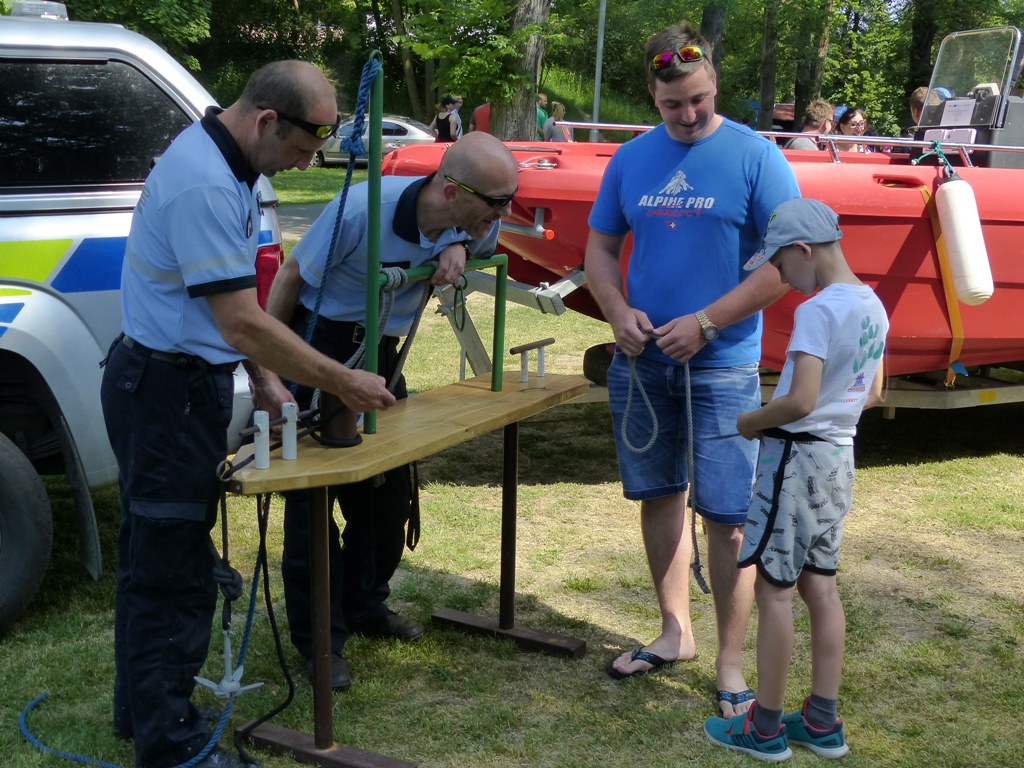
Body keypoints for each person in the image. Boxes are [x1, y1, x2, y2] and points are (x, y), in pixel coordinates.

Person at [100, 61, 396, 768]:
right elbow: (241, 323)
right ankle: (171, 747)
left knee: (156, 560)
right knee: (172, 574)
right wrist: (342, 380)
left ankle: (143, 712)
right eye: (306, 145)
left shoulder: (227, 170)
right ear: (268, 120)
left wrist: (264, 380)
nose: (308, 162)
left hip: (176, 385)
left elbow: (228, 313)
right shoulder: (205, 181)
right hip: (166, 395)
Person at [584, 20, 800, 717]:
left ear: (714, 85)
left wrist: (707, 322)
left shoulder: (755, 156)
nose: (689, 114)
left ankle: (731, 661)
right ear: (652, 93)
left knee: (729, 519)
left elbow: (789, 264)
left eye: (700, 99)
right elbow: (599, 251)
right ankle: (675, 633)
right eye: (673, 104)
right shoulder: (630, 160)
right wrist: (616, 309)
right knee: (657, 495)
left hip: (723, 367)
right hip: (641, 360)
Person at [266, 131, 518, 693]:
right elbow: (289, 279)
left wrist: (459, 245)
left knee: (387, 499)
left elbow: (479, 247)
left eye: (510, 198)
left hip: (381, 353)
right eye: (497, 201)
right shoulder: (360, 209)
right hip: (321, 347)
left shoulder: (476, 218)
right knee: (314, 502)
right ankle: (320, 644)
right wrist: (268, 371)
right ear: (452, 190)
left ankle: (364, 606)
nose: (506, 212)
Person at [703, 197, 887, 761]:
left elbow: (801, 398)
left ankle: (763, 730)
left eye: (780, 267)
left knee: (773, 591)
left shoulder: (818, 311)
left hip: (796, 463)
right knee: (821, 587)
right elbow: (875, 393)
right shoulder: (873, 304)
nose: (781, 278)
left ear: (804, 250)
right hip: (838, 462)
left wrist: (750, 420)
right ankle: (822, 722)